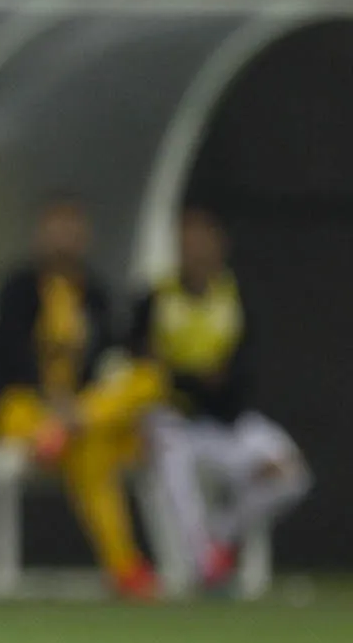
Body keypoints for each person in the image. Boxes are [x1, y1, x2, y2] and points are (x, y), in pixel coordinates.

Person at [0, 195, 160, 597]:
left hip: (75, 421)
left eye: (72, 232)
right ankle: (125, 565)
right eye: (55, 230)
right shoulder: (18, 288)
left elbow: (111, 363)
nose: (64, 240)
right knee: (77, 439)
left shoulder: (94, 293)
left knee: (144, 385)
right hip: (24, 409)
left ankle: (124, 569)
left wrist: (74, 410)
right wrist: (51, 400)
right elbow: (6, 355)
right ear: (40, 236)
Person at [132, 207, 309, 591]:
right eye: (185, 240)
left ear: (219, 244)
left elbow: (238, 374)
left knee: (290, 473)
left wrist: (190, 376)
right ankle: (203, 566)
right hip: (175, 420)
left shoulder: (236, 297)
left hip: (226, 421)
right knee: (168, 455)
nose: (193, 249)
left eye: (201, 239)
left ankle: (221, 534)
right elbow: (143, 367)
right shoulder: (155, 299)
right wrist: (195, 378)